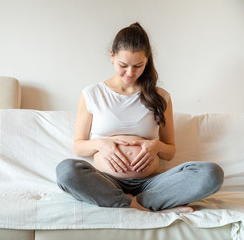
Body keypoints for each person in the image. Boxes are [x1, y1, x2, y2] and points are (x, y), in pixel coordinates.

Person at [56, 22, 224, 213]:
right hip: (106, 180)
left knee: (211, 174)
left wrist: (156, 146)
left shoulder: (161, 97)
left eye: (138, 66)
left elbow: (170, 151)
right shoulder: (92, 94)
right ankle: (139, 205)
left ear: (147, 60)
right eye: (123, 65)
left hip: (151, 183)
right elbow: (78, 146)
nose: (130, 73)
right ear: (112, 56)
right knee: (66, 171)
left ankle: (140, 201)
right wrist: (101, 144)